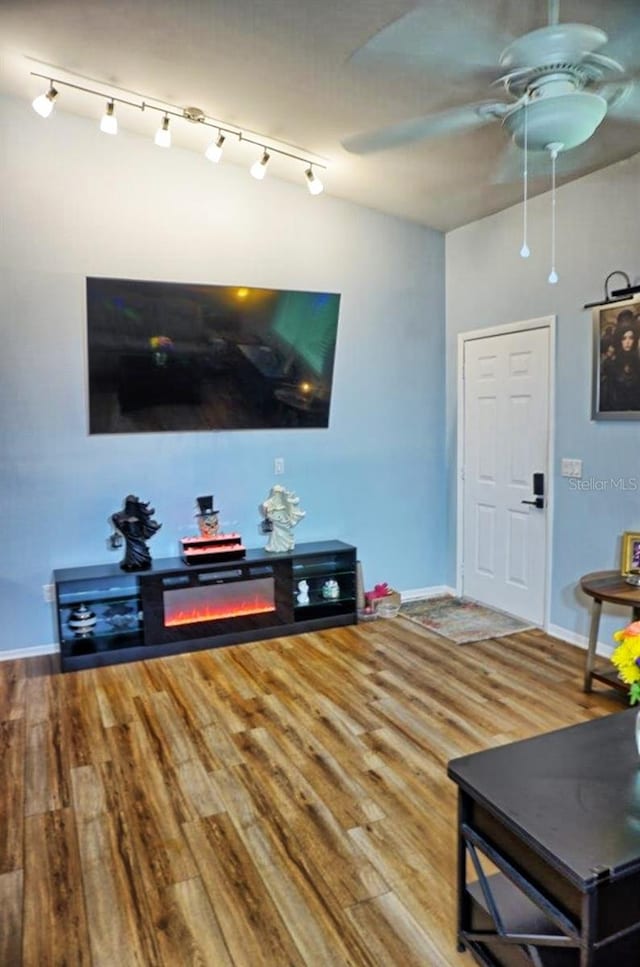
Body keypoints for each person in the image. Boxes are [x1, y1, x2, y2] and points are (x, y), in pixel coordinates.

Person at [111, 495, 162, 571]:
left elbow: (146, 526)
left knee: (142, 555)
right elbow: (118, 528)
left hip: (139, 539)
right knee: (131, 556)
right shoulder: (118, 516)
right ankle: (132, 562)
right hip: (130, 540)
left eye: (133, 504)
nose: (131, 506)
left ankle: (141, 561)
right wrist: (116, 536)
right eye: (129, 504)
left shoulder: (139, 515)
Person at [608, 319, 640, 411]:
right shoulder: (612, 365)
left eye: (631, 338)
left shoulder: (637, 364)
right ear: (619, 340)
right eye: (624, 338)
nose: (627, 342)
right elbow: (611, 396)